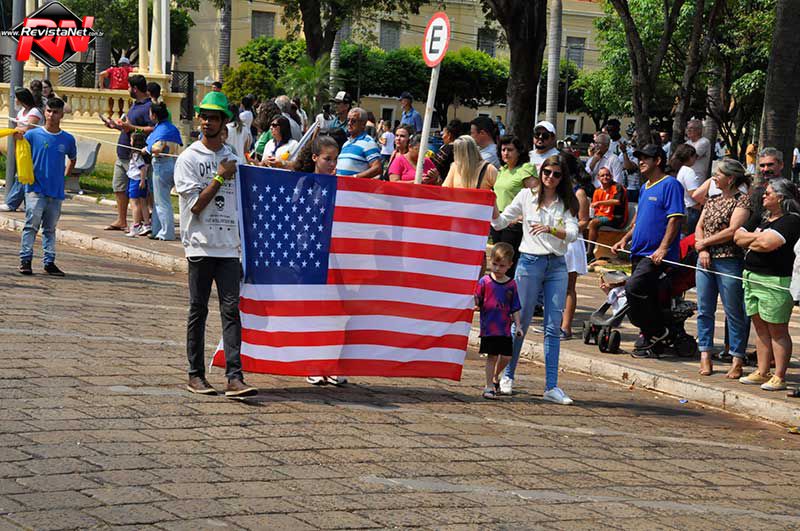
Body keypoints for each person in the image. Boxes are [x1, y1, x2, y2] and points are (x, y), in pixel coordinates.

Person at [174, 91, 257, 398]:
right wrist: (220, 178)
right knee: (198, 309)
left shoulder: (234, 158)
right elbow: (195, 206)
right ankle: (195, 374)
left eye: (213, 118)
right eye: (204, 117)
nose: (207, 122)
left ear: (224, 122)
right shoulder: (189, 158)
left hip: (229, 247)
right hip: (200, 245)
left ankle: (235, 377)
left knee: (231, 311)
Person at [492, 154, 580, 404]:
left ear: (562, 178)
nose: (550, 177)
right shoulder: (526, 196)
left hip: (557, 264)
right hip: (530, 262)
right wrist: (490, 202)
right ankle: (507, 375)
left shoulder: (566, 201)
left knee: (553, 326)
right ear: (541, 173)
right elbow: (500, 222)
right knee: (520, 322)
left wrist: (551, 229)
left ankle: (551, 386)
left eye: (556, 174)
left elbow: (573, 233)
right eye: (547, 172)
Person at [611, 144, 685, 353]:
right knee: (647, 294)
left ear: (658, 161)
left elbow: (675, 219)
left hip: (655, 255)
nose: (641, 161)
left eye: (646, 158)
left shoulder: (670, 184)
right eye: (639, 158)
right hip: (638, 251)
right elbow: (638, 220)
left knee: (633, 288)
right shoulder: (645, 187)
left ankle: (657, 329)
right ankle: (651, 336)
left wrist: (663, 248)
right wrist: (624, 239)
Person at [733, 178, 800, 391]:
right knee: (760, 327)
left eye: (768, 193)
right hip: (751, 276)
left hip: (775, 280)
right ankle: (762, 371)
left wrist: (752, 239)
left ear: (780, 197)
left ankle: (779, 375)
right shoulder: (761, 217)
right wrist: (757, 237)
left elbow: (767, 243)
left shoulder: (791, 220)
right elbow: (737, 237)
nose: (763, 195)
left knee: (777, 329)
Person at [695, 158, 752, 378]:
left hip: (729, 260)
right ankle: (705, 354)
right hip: (705, 260)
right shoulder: (712, 200)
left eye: (718, 174)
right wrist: (702, 249)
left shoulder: (742, 201)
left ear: (730, 178)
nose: (714, 178)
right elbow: (700, 226)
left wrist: (705, 243)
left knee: (734, 311)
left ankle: (737, 357)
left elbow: (732, 230)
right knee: (704, 309)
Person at [16, 97, 76, 276]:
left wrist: (64, 176)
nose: (51, 115)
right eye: (49, 111)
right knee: (31, 225)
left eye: (55, 112)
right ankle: (25, 259)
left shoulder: (67, 139)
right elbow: (21, 152)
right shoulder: (33, 135)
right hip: (35, 188)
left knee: (49, 228)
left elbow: (72, 158)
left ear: (61, 115)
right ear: (44, 112)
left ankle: (49, 262)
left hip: (55, 191)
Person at [103, 75, 154, 231]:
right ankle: (121, 220)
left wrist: (132, 128)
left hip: (137, 157)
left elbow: (152, 129)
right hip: (123, 153)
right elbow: (128, 127)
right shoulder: (134, 105)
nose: (127, 89)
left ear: (135, 89)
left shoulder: (149, 106)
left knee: (139, 192)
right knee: (119, 187)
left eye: (129, 87)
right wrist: (116, 126)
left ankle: (142, 222)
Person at [475, 242, 522, 399]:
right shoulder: (485, 281)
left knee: (507, 356)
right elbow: (477, 298)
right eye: (494, 264)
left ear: (509, 265)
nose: (497, 269)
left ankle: (495, 376)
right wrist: (475, 303)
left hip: (505, 328)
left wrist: (519, 325)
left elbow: (515, 307)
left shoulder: (511, 284)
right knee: (492, 356)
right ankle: (489, 386)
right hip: (489, 327)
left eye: (501, 266)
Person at [491, 135, 537, 277]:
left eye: (510, 150)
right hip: (498, 221)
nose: (506, 153)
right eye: (503, 150)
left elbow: (535, 197)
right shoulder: (502, 170)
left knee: (508, 264)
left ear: (519, 152)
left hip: (514, 224)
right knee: (498, 260)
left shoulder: (525, 169)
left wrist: (520, 217)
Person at [561, 152, 591, 339]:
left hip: (571, 243)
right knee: (553, 285)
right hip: (554, 241)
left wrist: (566, 230)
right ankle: (553, 323)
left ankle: (566, 327)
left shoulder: (579, 193)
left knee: (568, 287)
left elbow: (584, 221)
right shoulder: (555, 189)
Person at [1, 87, 44, 213]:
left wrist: (18, 130)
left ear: (21, 99)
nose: (14, 100)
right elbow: (19, 128)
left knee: (24, 174)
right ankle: (28, 203)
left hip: (33, 147)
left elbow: (29, 128)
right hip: (22, 147)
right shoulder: (21, 112)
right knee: (24, 174)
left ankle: (11, 203)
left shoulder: (35, 111)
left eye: (16, 98)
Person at [145, 101, 183, 241]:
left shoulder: (161, 130)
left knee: (162, 202)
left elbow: (158, 148)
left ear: (154, 115)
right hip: (172, 164)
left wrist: (147, 149)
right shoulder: (171, 128)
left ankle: (167, 232)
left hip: (161, 165)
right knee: (158, 201)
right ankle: (157, 230)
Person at [586, 167, 628, 263]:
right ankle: (584, 250)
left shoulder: (617, 187)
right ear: (598, 178)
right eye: (602, 175)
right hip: (602, 216)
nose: (605, 177)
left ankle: (590, 253)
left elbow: (617, 201)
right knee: (586, 222)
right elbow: (595, 209)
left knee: (593, 223)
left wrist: (600, 203)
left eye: (607, 175)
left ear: (611, 176)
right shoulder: (597, 190)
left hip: (616, 218)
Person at [335, 107, 382, 179]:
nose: (349, 123)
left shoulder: (368, 142)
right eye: (348, 120)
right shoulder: (346, 144)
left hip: (355, 185)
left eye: (353, 121)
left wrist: (355, 177)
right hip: (340, 184)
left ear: (363, 124)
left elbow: (377, 168)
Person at [670, 143, 703, 234]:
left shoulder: (681, 170)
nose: (696, 159)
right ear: (690, 157)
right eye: (695, 156)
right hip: (692, 210)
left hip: (685, 209)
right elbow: (694, 194)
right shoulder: (688, 171)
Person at [124, 132, 151, 237]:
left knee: (134, 204)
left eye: (131, 140)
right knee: (143, 203)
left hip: (136, 180)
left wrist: (142, 181)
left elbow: (142, 168)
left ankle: (136, 226)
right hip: (141, 180)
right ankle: (147, 224)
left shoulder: (136, 155)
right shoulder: (144, 155)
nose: (130, 142)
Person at [428, 119, 465, 184]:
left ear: (449, 135)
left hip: (444, 181)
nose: (442, 137)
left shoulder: (447, 149)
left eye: (443, 134)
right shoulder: (462, 148)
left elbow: (434, 166)